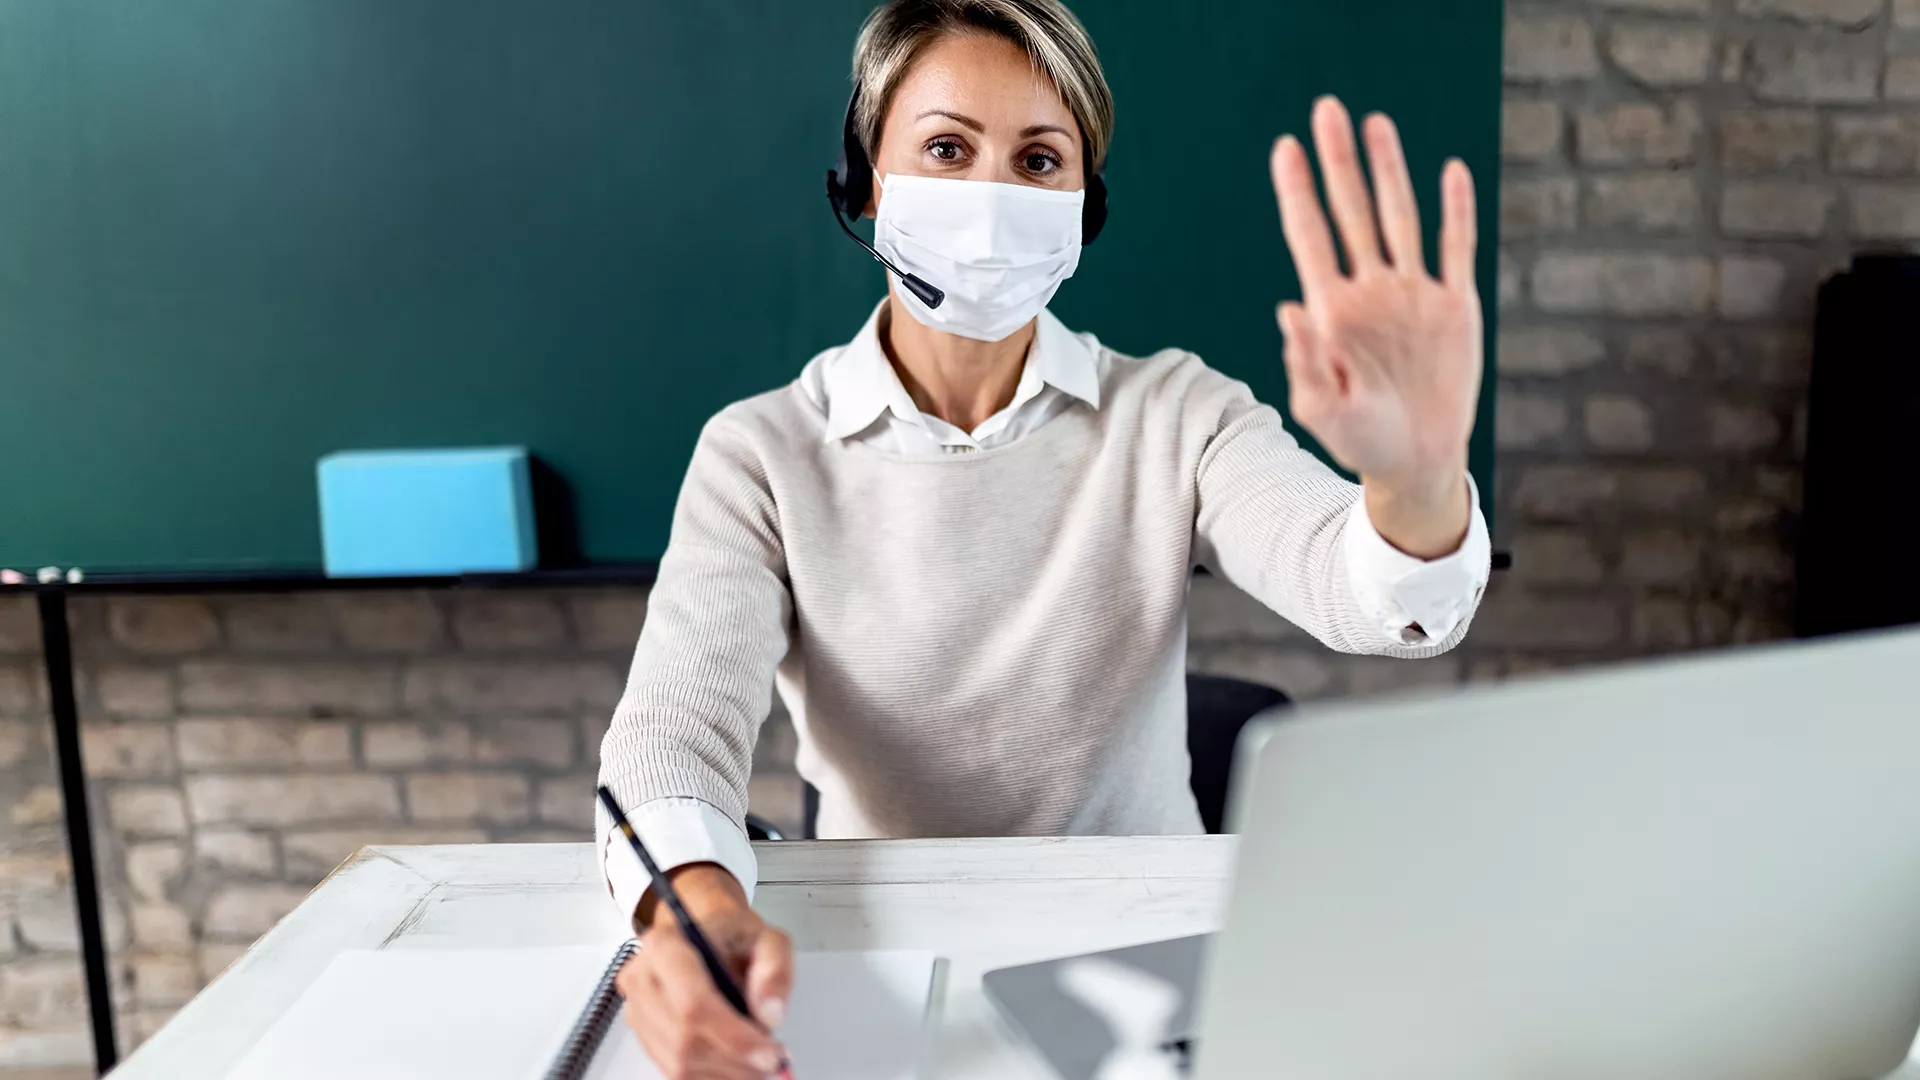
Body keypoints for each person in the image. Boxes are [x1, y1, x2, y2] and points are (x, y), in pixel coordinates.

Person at [597, 0, 1491, 1075]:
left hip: (1143, 967)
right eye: (945, 149)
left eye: (1038, 159)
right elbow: (673, 729)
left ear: (1083, 205)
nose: (991, 197)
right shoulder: (761, 453)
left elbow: (1364, 593)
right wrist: (695, 909)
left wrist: (1416, 480)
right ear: (865, 183)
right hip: (892, 963)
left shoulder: (1177, 412)